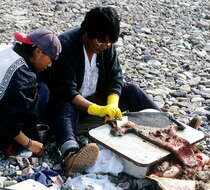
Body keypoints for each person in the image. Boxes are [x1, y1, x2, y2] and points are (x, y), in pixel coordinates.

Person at [44, 7, 160, 175]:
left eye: (109, 42)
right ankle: (70, 155)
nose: (105, 46)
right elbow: (66, 91)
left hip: (98, 98)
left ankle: (166, 126)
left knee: (131, 89)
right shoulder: (66, 46)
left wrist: (112, 103)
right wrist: (97, 109)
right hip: (74, 106)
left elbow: (115, 77)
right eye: (100, 41)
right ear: (87, 33)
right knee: (63, 106)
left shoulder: (106, 46)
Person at [0, 29, 61, 156]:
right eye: (50, 59)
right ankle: (10, 145)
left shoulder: (7, 49)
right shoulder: (24, 77)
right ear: (38, 51)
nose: (50, 65)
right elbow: (8, 120)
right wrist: (30, 143)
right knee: (42, 92)